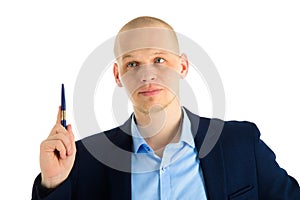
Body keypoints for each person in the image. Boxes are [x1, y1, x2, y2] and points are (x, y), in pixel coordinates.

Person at [32, 16, 300, 200]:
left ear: (182, 66)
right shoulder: (85, 161)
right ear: (117, 75)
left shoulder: (241, 143)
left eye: (159, 59)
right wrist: (54, 184)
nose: (147, 75)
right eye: (132, 64)